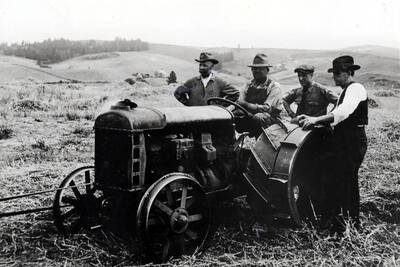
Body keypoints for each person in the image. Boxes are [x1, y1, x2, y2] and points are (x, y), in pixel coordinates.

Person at [298, 55, 368, 232]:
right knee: (337, 179)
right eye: (334, 73)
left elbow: (342, 113)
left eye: (338, 73)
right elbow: (336, 115)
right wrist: (312, 119)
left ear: (350, 73)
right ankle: (338, 219)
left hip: (352, 141)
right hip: (343, 140)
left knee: (347, 180)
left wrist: (316, 119)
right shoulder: (345, 91)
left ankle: (349, 224)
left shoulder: (356, 89)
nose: (335, 77)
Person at [236, 53, 282, 136]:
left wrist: (246, 104)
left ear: (267, 70)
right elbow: (240, 101)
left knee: (258, 118)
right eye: (254, 68)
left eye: (260, 69)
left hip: (271, 120)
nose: (256, 71)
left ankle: (261, 145)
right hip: (250, 115)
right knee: (232, 116)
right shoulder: (248, 84)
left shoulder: (274, 86)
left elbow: (266, 108)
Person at [174, 52, 239, 106]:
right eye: (200, 65)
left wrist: (220, 106)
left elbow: (235, 94)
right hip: (194, 117)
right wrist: (188, 103)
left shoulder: (220, 82)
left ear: (211, 67)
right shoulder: (191, 82)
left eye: (205, 65)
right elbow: (177, 93)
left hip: (213, 118)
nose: (201, 67)